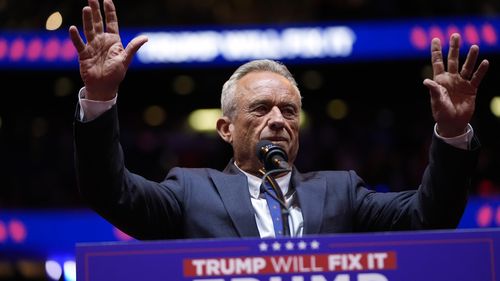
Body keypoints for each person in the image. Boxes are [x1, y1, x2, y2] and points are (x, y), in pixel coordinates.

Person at [69, 0, 489, 240]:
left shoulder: (341, 192)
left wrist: (451, 133)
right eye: (260, 108)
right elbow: (110, 192)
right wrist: (102, 98)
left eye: (289, 111)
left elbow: (429, 218)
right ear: (225, 128)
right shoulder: (190, 192)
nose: (278, 120)